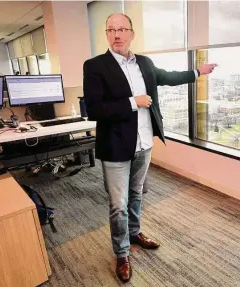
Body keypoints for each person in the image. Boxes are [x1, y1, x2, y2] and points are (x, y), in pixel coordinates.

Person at [83, 13, 217, 283]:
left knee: (136, 195)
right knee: (117, 205)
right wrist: (134, 102)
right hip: (116, 146)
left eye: (122, 29)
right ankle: (122, 253)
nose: (117, 34)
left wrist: (197, 73)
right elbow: (95, 110)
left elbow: (167, 77)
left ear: (132, 34)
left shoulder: (144, 62)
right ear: (106, 34)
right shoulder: (95, 65)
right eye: (111, 30)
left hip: (144, 143)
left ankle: (135, 233)